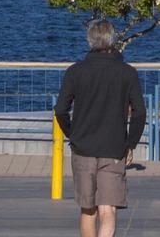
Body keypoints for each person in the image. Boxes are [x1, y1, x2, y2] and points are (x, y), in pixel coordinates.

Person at [53, 19, 146, 237]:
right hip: (114, 148)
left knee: (88, 210)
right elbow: (140, 112)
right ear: (112, 40)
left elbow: (60, 110)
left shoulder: (75, 72)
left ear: (90, 41)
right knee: (108, 209)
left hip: (83, 147)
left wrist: (72, 133)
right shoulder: (127, 73)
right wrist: (130, 143)